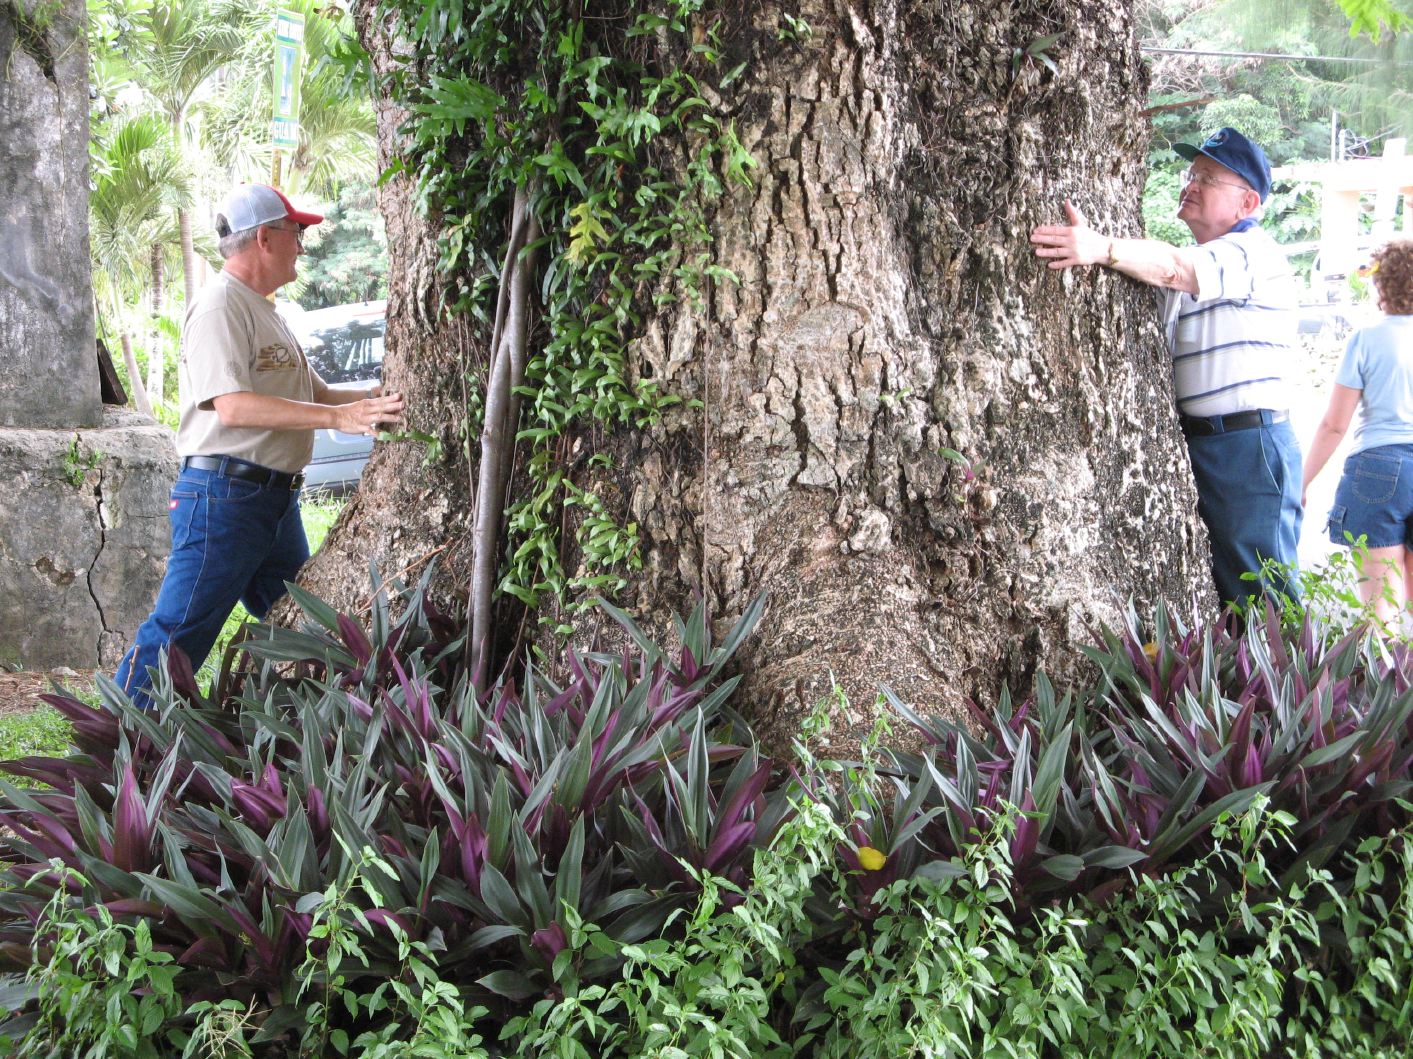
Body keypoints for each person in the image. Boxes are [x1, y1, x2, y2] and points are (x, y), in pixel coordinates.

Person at [116, 183, 406, 707]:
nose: (303, 246)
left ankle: (307, 725)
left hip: (273, 501)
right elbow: (232, 406)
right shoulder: (219, 307)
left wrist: (377, 400)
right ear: (265, 239)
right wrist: (338, 418)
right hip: (225, 498)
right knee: (178, 632)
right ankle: (116, 738)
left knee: (303, 627)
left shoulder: (264, 309)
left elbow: (316, 392)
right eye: (296, 233)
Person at [1030, 127, 1303, 607]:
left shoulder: (1250, 253)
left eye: (1209, 179)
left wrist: (1102, 248)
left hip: (1247, 445)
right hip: (1208, 443)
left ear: (1247, 203)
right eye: (1191, 174)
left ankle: (1290, 662)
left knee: (1262, 590)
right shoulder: (1206, 258)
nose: (1191, 185)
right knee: (1224, 589)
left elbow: (1176, 269)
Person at [1301, 240, 1413, 624]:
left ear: (1382, 284)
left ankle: (1384, 661)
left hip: (1379, 468)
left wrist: (1301, 482)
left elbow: (1334, 424)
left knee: (1381, 613)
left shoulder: (1367, 339)